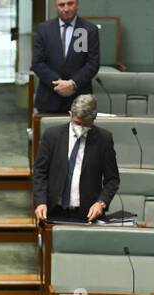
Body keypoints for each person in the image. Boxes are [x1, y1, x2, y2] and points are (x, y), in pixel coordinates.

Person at [32, 94, 120, 222]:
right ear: (70, 114)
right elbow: (40, 172)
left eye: (86, 125)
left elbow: (112, 179)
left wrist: (101, 203)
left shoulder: (103, 139)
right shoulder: (52, 136)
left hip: (87, 214)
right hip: (53, 211)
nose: (81, 128)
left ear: (94, 119)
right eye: (77, 123)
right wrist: (40, 202)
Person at [31, 0, 101, 116]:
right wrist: (59, 84)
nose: (66, 8)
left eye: (70, 3)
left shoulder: (87, 29)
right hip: (49, 98)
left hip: (80, 100)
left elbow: (92, 63)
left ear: (77, 4)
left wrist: (72, 84)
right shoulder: (44, 29)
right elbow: (37, 63)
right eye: (62, 5)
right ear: (56, 6)